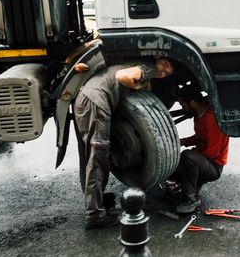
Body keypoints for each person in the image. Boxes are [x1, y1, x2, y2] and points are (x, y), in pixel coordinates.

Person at [73, 56, 174, 229]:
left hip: (86, 100)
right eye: (164, 65)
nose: (162, 71)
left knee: (90, 156)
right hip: (96, 102)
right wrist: (137, 86)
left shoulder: (135, 61)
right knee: (98, 158)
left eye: (166, 72)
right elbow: (122, 76)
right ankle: (95, 215)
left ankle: (96, 201)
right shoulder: (148, 67)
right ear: (157, 59)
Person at [171, 85, 229, 214]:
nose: (182, 108)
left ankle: (192, 200)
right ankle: (189, 187)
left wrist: (189, 161)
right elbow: (200, 138)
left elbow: (212, 153)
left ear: (192, 103)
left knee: (187, 157)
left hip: (214, 166)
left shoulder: (211, 119)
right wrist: (182, 141)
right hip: (204, 160)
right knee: (177, 164)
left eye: (182, 105)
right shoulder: (199, 115)